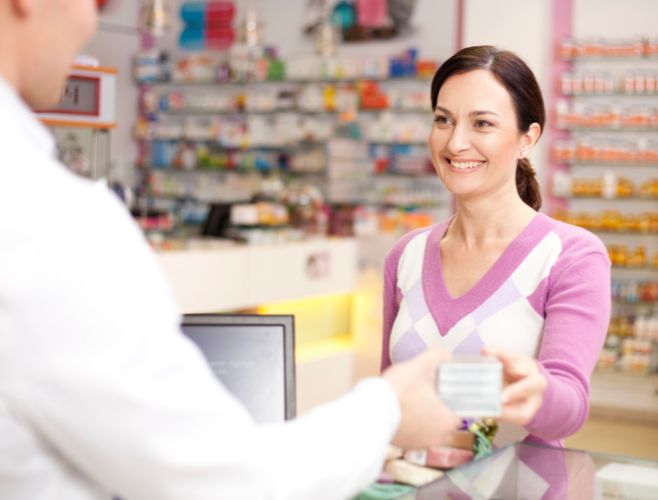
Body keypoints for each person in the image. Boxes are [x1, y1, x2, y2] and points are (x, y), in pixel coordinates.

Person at [0, 1, 461, 499]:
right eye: (96, 1)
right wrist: (386, 411)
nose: (96, 19)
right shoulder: (49, 220)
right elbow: (227, 484)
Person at [382, 45, 611, 446]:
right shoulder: (406, 254)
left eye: (482, 124)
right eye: (443, 120)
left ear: (527, 138)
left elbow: (570, 409)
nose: (455, 143)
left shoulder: (570, 256)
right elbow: (389, 395)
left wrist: (538, 390)